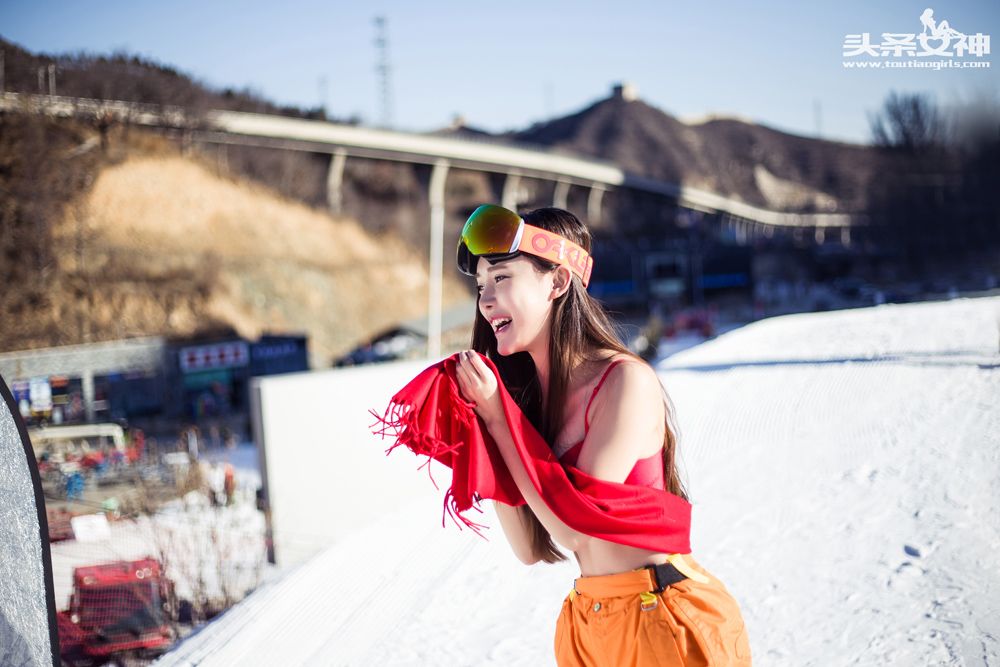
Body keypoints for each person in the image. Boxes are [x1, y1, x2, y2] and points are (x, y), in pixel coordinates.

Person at [453, 205, 751, 666]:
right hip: (589, 621)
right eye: (480, 286)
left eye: (502, 278)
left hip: (661, 617)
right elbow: (528, 548)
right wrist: (485, 425)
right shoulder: (527, 405)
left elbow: (574, 528)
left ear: (557, 282)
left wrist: (498, 420)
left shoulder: (624, 381)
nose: (486, 301)